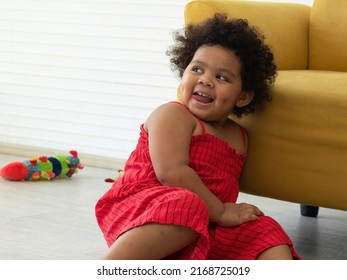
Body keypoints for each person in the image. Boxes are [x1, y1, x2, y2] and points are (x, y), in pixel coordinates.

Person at [95, 14, 300, 260]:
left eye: (222, 77)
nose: (205, 80)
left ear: (243, 97)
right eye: (197, 69)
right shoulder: (173, 115)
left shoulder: (239, 136)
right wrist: (221, 211)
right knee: (187, 204)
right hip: (144, 210)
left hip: (206, 221)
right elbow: (172, 173)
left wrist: (223, 214)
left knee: (265, 229)